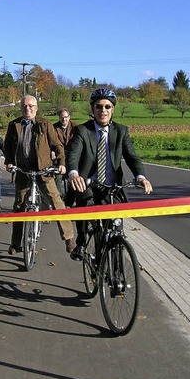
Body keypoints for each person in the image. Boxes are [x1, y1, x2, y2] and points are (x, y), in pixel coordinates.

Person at [66, 88, 153, 260]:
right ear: (93, 109)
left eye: (107, 106)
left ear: (113, 109)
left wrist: (141, 177)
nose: (103, 111)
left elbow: (131, 156)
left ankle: (115, 272)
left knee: (115, 228)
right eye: (99, 106)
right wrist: (74, 174)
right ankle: (82, 241)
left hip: (112, 186)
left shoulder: (121, 131)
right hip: (88, 183)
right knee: (86, 207)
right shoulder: (83, 130)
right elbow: (73, 154)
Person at [3, 95, 76, 255]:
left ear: (36, 108)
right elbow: (7, 146)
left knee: (56, 201)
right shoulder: (14, 125)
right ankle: (16, 243)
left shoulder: (45, 123)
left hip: (43, 170)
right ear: (21, 108)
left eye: (31, 106)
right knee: (19, 206)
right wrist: (8, 161)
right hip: (23, 171)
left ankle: (69, 238)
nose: (27, 109)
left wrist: (62, 163)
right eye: (24, 106)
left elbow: (57, 145)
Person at [53, 108, 77, 199]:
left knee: (74, 176)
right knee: (58, 176)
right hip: (59, 157)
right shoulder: (54, 128)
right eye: (62, 117)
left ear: (69, 117)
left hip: (72, 157)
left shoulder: (75, 127)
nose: (64, 119)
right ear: (59, 118)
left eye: (66, 117)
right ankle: (59, 198)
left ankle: (71, 199)